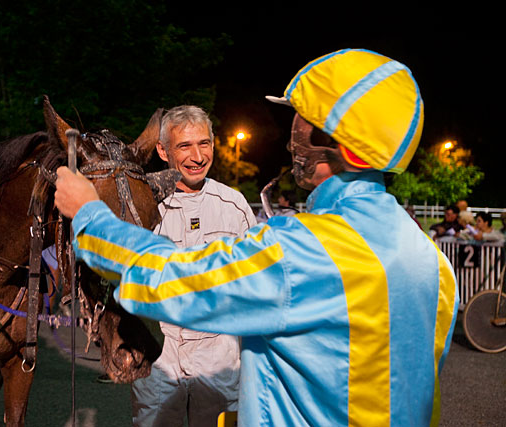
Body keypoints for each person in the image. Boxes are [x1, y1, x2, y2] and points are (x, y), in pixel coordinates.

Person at [55, 49, 458, 426]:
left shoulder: (300, 249)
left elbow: (172, 277)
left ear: (345, 150)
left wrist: (89, 213)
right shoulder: (435, 264)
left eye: (301, 122)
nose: (290, 139)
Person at [130, 105, 256, 426]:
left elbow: (256, 282)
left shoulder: (234, 205)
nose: (197, 156)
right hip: (160, 351)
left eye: (204, 144)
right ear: (162, 150)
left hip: (220, 354)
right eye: (185, 145)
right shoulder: (141, 203)